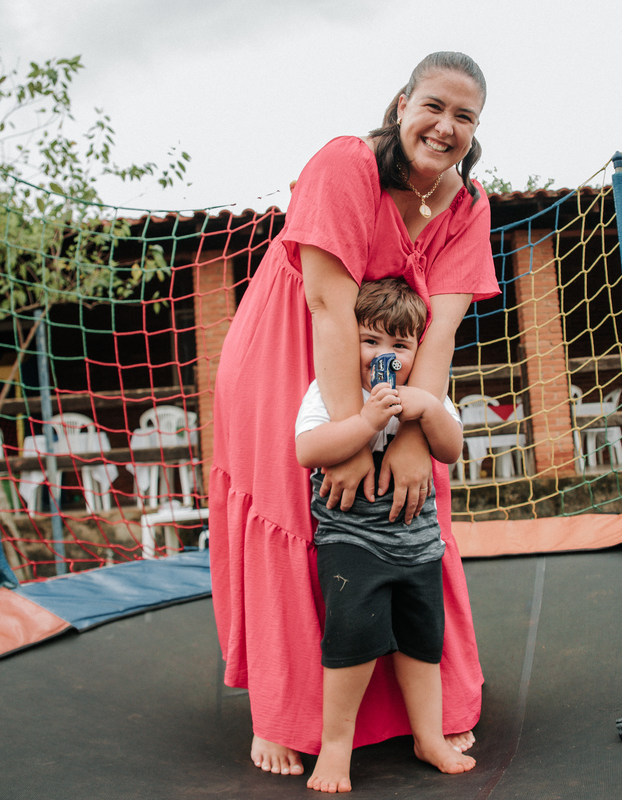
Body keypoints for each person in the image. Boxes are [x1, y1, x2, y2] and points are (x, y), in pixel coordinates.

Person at [209, 51, 499, 777]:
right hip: (287, 345)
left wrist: (407, 435)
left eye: (465, 116)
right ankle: (284, 714)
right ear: (401, 104)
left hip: (387, 361)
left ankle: (419, 713)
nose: (445, 126)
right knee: (299, 507)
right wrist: (350, 441)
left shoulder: (469, 207)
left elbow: (440, 329)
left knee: (412, 498)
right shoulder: (346, 163)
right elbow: (326, 304)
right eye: (434, 106)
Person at [296, 279, 474, 791]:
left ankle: (429, 737)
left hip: (416, 545)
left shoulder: (427, 391)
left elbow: (450, 449)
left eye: (400, 346)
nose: (385, 356)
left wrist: (430, 410)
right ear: (351, 341)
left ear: (418, 351)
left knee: (422, 644)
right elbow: (309, 450)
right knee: (351, 645)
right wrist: (365, 421)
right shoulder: (333, 390)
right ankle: (335, 748)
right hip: (351, 545)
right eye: (371, 341)